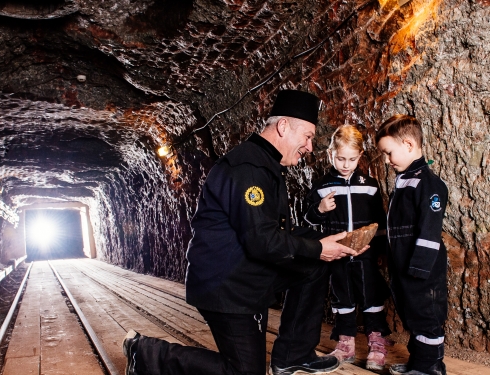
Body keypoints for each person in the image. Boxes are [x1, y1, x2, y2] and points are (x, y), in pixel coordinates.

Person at [122, 90, 366, 375]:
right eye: (308, 136)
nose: (310, 147)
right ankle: (146, 353)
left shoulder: (266, 163)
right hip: (226, 284)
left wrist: (327, 243)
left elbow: (278, 231)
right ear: (283, 127)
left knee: (315, 265)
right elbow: (262, 241)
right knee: (244, 372)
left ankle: (292, 355)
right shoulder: (249, 169)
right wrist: (319, 248)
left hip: (249, 272)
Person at [304, 124, 392, 370]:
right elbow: (309, 222)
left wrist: (381, 250)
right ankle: (346, 343)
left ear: (360, 156)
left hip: (365, 253)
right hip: (338, 254)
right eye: (340, 158)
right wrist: (320, 210)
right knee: (342, 296)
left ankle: (376, 343)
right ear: (330, 153)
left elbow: (379, 221)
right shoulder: (322, 186)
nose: (345, 164)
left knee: (371, 295)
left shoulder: (370, 185)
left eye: (352, 159)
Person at [375, 115, 449, 375]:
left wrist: (419, 269)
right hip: (404, 266)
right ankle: (418, 363)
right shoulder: (404, 181)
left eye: (388, 153)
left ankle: (430, 367)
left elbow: (430, 229)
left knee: (427, 317)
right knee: (413, 316)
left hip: (422, 269)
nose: (387, 160)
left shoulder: (430, 185)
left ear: (408, 144)